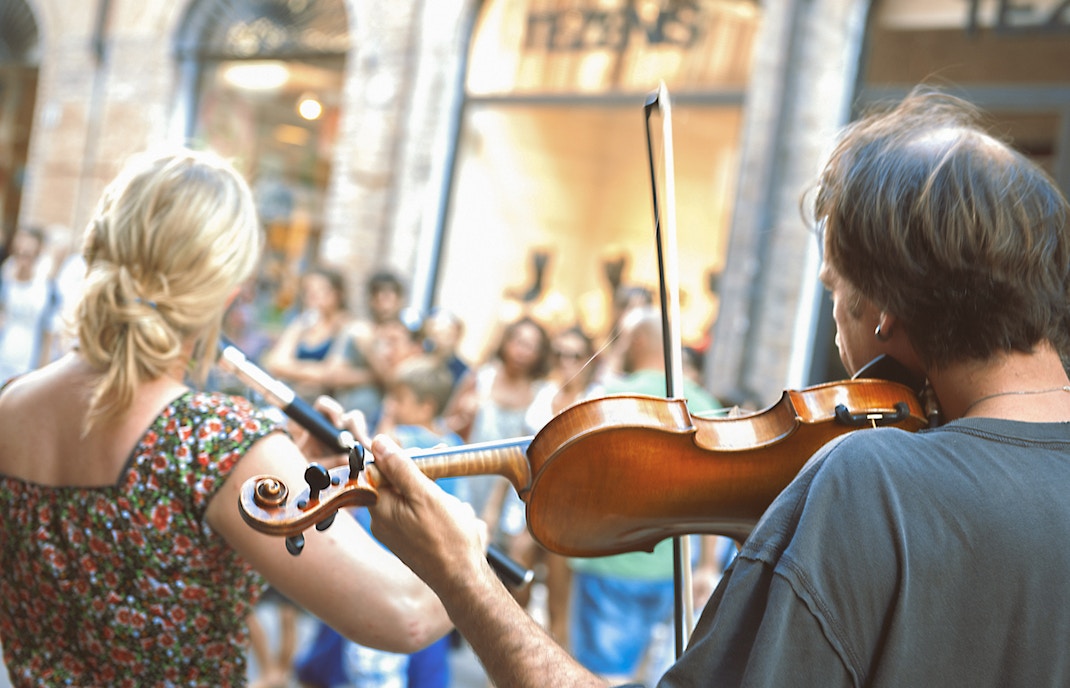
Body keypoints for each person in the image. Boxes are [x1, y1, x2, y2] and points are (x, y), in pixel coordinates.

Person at [363, 86, 1070, 687]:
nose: (835, 321)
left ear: (883, 307)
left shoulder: (872, 480)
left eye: (834, 287)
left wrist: (464, 579)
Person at [0, 149, 459, 686]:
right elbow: (406, 614)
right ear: (228, 289)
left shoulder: (11, 404)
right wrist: (463, 546)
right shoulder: (215, 441)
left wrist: (285, 471)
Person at [564, 307, 724, 686]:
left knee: (601, 677)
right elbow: (717, 495)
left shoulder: (608, 398)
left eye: (621, 339)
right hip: (672, 569)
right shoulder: (704, 405)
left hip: (610, 561)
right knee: (645, 675)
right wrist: (706, 566)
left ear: (636, 341)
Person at [294, 355, 462, 688]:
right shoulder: (452, 443)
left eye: (399, 398)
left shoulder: (404, 440)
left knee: (372, 646)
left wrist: (369, 427)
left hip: (386, 554)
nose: (392, 405)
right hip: (422, 562)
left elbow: (378, 452)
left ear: (426, 407)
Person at [262, 265, 351, 402]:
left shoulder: (347, 327)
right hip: (294, 395)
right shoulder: (304, 322)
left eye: (320, 289)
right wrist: (314, 372)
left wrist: (291, 369)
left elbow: (332, 374)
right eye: (308, 290)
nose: (312, 295)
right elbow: (275, 363)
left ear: (337, 293)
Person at [0, 226, 57, 381]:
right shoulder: (5, 280)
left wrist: (41, 373)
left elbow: (48, 333)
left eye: (27, 254)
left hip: (28, 363)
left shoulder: (45, 288)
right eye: (18, 253)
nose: (22, 259)